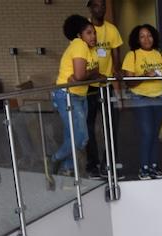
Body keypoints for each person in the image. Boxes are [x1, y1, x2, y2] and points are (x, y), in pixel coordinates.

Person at [52, 15, 98, 177]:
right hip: (67, 95)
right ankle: (54, 159)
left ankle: (67, 169)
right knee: (81, 138)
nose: (93, 36)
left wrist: (89, 74)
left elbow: (83, 76)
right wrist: (91, 73)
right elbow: (79, 76)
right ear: (79, 35)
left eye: (94, 33)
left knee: (71, 135)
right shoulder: (79, 45)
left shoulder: (90, 50)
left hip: (79, 95)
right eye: (88, 33)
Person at [122, 24, 162, 180]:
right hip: (140, 98)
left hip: (160, 98)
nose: (146, 39)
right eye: (142, 36)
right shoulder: (132, 55)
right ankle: (144, 167)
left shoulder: (160, 56)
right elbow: (129, 82)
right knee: (147, 133)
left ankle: (154, 166)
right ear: (137, 39)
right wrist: (145, 75)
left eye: (149, 35)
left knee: (155, 134)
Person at [84, 0, 121, 179]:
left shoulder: (111, 29)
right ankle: (92, 165)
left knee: (111, 126)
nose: (101, 9)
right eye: (96, 5)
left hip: (105, 85)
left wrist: (116, 68)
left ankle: (108, 165)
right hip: (88, 86)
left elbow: (115, 52)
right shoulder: (85, 29)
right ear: (90, 7)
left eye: (103, 5)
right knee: (89, 126)